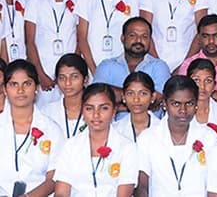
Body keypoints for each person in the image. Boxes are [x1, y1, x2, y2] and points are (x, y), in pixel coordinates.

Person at [137, 75, 217, 196]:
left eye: (189, 103)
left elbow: (216, 184)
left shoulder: (209, 137)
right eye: (176, 104)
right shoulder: (147, 138)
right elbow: (142, 186)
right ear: (164, 104)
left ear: (196, 104)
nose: (183, 110)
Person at [53, 83, 137, 196]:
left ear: (114, 111)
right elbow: (61, 192)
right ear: (82, 111)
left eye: (104, 108)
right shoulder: (71, 146)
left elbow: (123, 194)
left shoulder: (127, 148)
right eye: (89, 108)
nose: (96, 115)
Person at [0, 60, 64, 197]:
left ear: (37, 88)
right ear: (4, 89)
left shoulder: (51, 130)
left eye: (27, 84)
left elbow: (54, 178)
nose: (20, 90)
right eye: (14, 84)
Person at [25, 0, 79, 104]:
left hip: (70, 69)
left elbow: (80, 37)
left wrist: (74, 68)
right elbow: (30, 41)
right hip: (44, 68)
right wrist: (40, 74)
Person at [94, 17, 171, 111]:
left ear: (150, 40)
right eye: (132, 35)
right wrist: (142, 99)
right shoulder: (107, 66)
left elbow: (157, 100)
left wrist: (115, 104)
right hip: (114, 121)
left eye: (144, 36)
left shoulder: (159, 66)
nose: (138, 40)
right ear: (123, 38)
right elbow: (97, 96)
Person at [42, 54, 89, 139]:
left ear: (85, 79)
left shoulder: (95, 111)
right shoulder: (47, 112)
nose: (67, 83)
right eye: (62, 77)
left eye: (74, 77)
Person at [112, 71, 161, 142]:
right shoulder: (115, 130)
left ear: (153, 97)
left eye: (143, 93)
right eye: (130, 93)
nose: (136, 99)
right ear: (123, 97)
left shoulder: (163, 129)